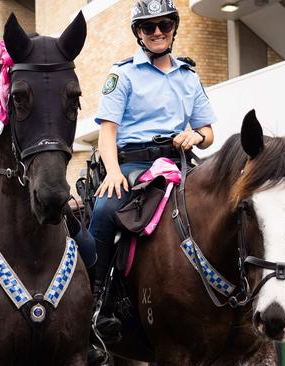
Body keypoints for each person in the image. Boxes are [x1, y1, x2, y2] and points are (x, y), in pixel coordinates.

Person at [88, 0, 216, 354]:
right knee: (103, 212)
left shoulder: (189, 76)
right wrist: (113, 171)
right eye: (149, 27)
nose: (157, 32)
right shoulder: (122, 74)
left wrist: (197, 136)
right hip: (132, 164)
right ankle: (96, 304)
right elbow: (107, 132)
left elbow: (208, 131)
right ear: (139, 33)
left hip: (177, 162)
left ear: (174, 28)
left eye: (164, 25)